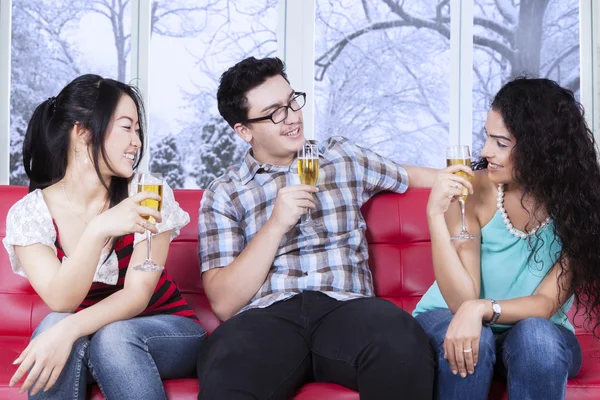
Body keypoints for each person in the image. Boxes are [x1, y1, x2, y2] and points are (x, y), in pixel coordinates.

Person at [196, 56, 438, 400]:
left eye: (292, 101)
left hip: (348, 307)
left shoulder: (343, 158)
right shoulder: (225, 192)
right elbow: (223, 302)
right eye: (275, 112)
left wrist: (491, 178)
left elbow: (422, 178)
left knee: (401, 340)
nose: (293, 117)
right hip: (266, 318)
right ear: (244, 130)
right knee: (227, 368)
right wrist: (276, 224)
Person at [3, 74, 206, 399]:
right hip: (91, 331)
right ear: (82, 133)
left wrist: (68, 329)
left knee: (104, 336)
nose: (137, 142)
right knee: (54, 326)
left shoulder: (147, 193)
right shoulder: (31, 215)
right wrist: (99, 229)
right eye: (127, 127)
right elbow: (62, 301)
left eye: (138, 130)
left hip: (168, 328)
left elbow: (137, 296)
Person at [412, 77, 600, 399]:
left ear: (541, 148)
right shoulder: (474, 190)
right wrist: (434, 216)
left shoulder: (580, 206)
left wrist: (481, 309)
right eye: (487, 137)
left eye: (501, 143)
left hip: (532, 330)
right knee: (478, 340)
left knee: (537, 338)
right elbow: (461, 301)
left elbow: (544, 304)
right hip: (450, 316)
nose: (485, 151)